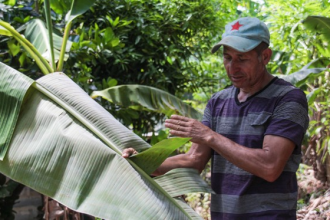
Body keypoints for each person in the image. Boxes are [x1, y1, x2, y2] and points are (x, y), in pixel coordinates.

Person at [123, 17, 309, 219]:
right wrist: (142, 162)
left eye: (242, 58)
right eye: (227, 57)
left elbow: (270, 166)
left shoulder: (288, 99)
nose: (232, 67)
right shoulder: (218, 101)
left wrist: (209, 136)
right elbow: (194, 160)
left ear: (265, 57)